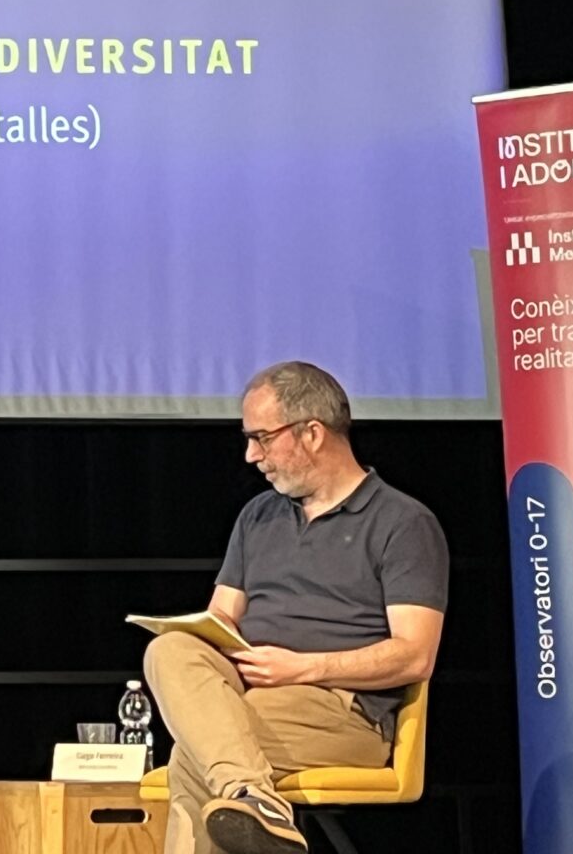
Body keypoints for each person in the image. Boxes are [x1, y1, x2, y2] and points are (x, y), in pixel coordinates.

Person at [145, 363, 447, 854]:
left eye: (261, 438)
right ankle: (253, 795)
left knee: (194, 756)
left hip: (342, 711)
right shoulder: (258, 516)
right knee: (169, 649)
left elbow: (415, 656)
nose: (251, 455)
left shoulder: (403, 522)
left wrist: (302, 668)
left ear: (312, 433)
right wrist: (205, 636)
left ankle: (250, 794)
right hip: (250, 693)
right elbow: (221, 618)